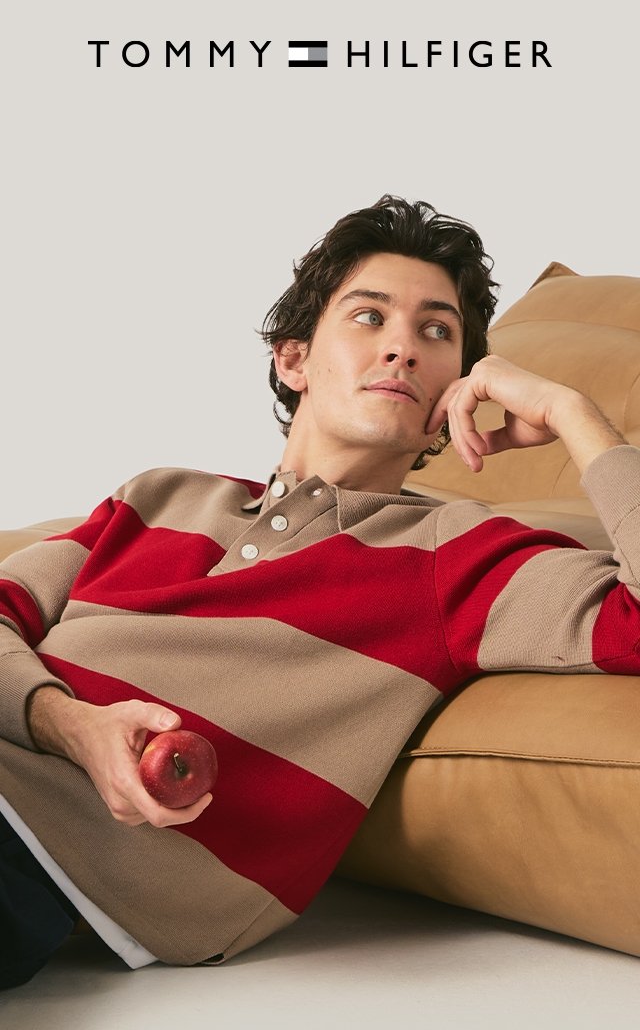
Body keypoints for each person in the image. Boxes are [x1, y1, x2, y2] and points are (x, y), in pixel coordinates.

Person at [1, 194, 638, 988]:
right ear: (293, 359)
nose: (402, 348)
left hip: (53, 855)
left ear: (455, 392)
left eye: (436, 331)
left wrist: (573, 413)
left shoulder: (456, 555)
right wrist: (65, 722)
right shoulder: (160, 495)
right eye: (369, 318)